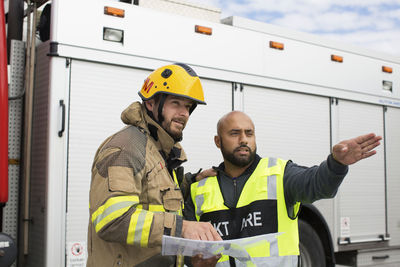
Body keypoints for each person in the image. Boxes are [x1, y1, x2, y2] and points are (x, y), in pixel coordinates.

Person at [184, 111, 382, 267]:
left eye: (249, 133)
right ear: (218, 141)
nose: (243, 139)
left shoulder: (280, 174)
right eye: (234, 133)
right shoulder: (199, 189)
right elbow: (187, 251)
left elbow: (318, 185)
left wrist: (336, 164)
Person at [86, 63, 222, 267]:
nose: (184, 113)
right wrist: (182, 228)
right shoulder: (127, 148)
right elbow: (112, 220)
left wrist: (192, 182)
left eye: (188, 106)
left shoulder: (161, 152)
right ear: (151, 103)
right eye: (176, 103)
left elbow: (154, 200)